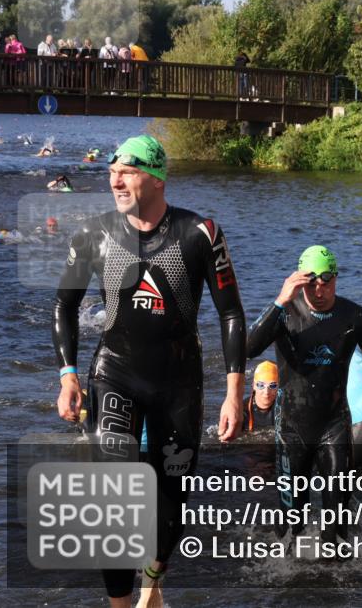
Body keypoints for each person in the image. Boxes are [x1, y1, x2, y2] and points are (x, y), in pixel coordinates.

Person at [53, 134, 247, 608]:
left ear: (157, 177)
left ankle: (152, 585)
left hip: (178, 381)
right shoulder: (93, 234)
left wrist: (235, 392)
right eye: (112, 170)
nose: (115, 178)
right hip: (114, 371)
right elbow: (64, 304)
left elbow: (232, 314)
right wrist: (68, 375)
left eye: (128, 169)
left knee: (170, 500)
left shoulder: (200, 234)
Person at [247, 245, 362, 544]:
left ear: (336, 277)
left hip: (334, 425)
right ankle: (288, 576)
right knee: (291, 521)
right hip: (292, 429)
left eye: (326, 280)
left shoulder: (355, 317)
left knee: (337, 517)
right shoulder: (285, 314)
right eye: (311, 282)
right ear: (298, 280)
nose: (319, 289)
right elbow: (248, 348)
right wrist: (281, 300)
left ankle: (336, 574)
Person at [244, 360, 278, 432]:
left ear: (278, 387)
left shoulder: (284, 407)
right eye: (261, 385)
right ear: (253, 385)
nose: (266, 392)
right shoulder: (242, 410)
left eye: (273, 385)